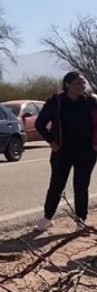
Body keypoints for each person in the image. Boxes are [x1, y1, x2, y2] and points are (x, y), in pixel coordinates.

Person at [33, 71, 97, 233]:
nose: (82, 86)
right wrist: (51, 141)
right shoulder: (56, 102)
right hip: (63, 151)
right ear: (67, 84)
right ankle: (47, 219)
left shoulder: (91, 101)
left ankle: (80, 220)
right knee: (56, 185)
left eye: (83, 83)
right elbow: (40, 123)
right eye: (77, 83)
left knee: (81, 186)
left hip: (86, 151)